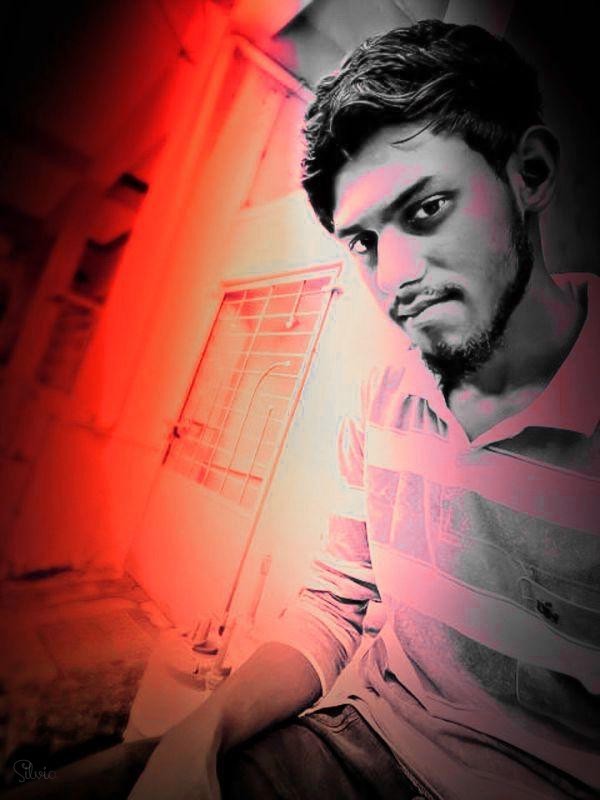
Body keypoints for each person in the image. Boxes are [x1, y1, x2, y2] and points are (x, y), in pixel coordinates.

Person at [11, 19, 599, 800]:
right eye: (363, 242)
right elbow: (335, 599)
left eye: (426, 209)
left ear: (530, 173)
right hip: (364, 743)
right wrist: (201, 736)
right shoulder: (385, 396)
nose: (396, 277)